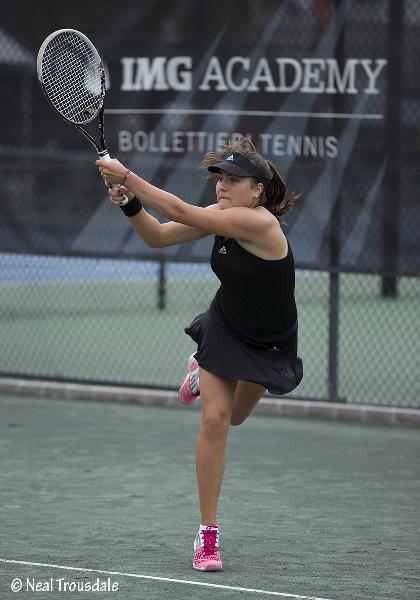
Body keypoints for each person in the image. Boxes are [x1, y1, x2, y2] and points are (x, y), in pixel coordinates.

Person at [96, 137, 303, 572]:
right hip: (225, 326)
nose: (222, 186)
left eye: (234, 180)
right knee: (215, 419)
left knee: (237, 416)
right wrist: (130, 203)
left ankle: (196, 377)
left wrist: (127, 175)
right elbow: (158, 235)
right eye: (219, 179)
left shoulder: (260, 223)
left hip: (270, 342)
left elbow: (179, 210)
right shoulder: (219, 216)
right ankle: (207, 534)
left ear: (257, 190)